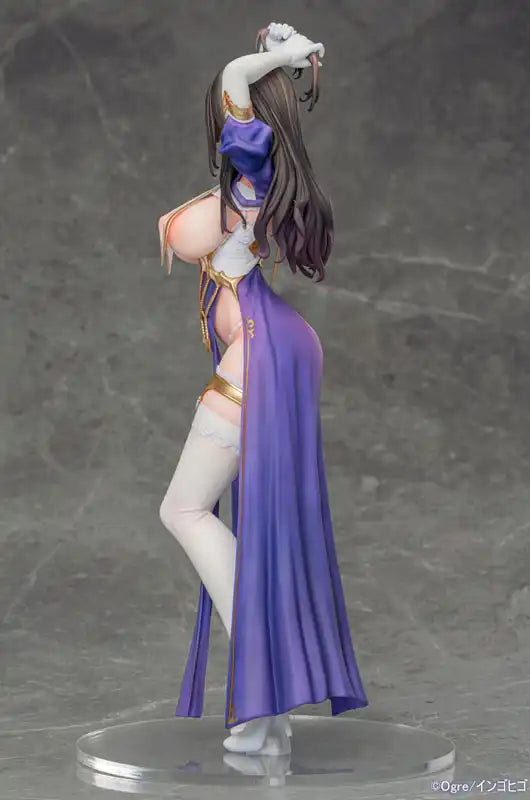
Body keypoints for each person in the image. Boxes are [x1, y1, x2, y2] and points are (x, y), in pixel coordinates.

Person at [157, 21, 368, 756]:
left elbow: (233, 81)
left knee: (184, 508)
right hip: (272, 347)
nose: (225, 122)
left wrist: (276, 59)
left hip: (261, 353)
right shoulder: (255, 180)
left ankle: (265, 682)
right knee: (232, 519)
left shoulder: (251, 177)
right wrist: (285, 54)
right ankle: (266, 711)